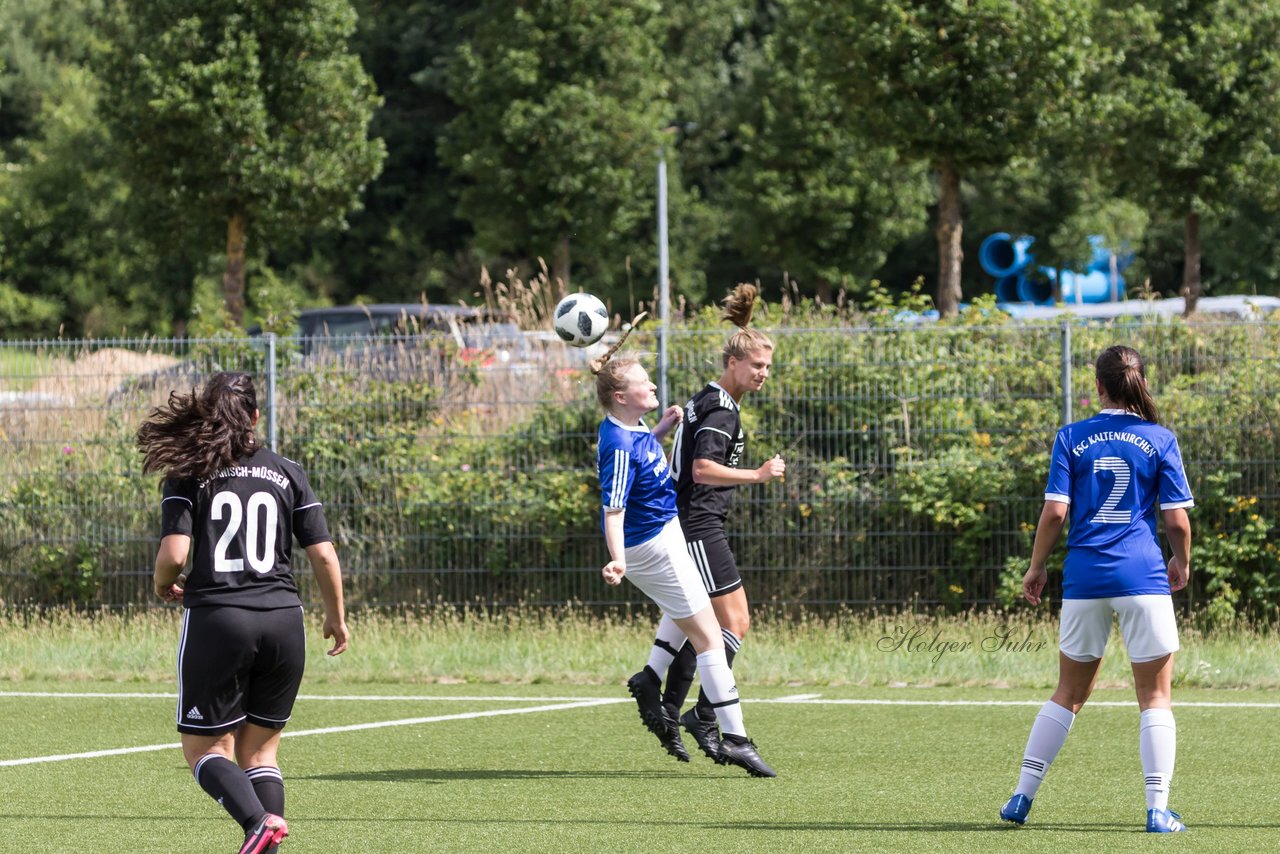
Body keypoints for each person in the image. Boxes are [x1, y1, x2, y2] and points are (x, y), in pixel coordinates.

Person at [137, 372, 349, 854]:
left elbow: (174, 553)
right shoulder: (288, 470)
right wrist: (336, 617)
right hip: (283, 621)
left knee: (204, 750)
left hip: (220, 620)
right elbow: (323, 556)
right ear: (256, 417)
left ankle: (256, 822)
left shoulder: (188, 473)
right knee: (260, 752)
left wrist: (162, 583)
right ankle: (265, 837)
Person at [999, 345, 1193, 833]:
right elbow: (1176, 520)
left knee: (1067, 693)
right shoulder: (1160, 438)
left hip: (1085, 578)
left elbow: (1055, 512)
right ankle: (1156, 810)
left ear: (1098, 386)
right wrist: (1182, 561)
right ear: (1140, 383)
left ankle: (1021, 796)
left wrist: (1036, 566)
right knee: (1154, 697)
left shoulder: (1071, 436)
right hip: (1143, 576)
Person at [591, 322, 776, 778]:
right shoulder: (626, 438)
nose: (652, 384)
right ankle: (724, 731)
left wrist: (660, 427)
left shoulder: (636, 428)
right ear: (620, 396)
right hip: (662, 539)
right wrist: (618, 557)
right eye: (642, 381)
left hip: (674, 528)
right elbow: (615, 506)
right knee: (716, 633)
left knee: (699, 621)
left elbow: (644, 458)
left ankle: (656, 685)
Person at [633, 284, 785, 763]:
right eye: (757, 366)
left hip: (694, 522)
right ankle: (701, 714)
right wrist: (758, 475)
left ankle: (661, 693)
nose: (763, 374)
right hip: (698, 524)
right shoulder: (721, 407)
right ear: (734, 362)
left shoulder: (709, 397)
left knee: (694, 617)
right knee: (731, 621)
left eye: (767, 367)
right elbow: (702, 469)